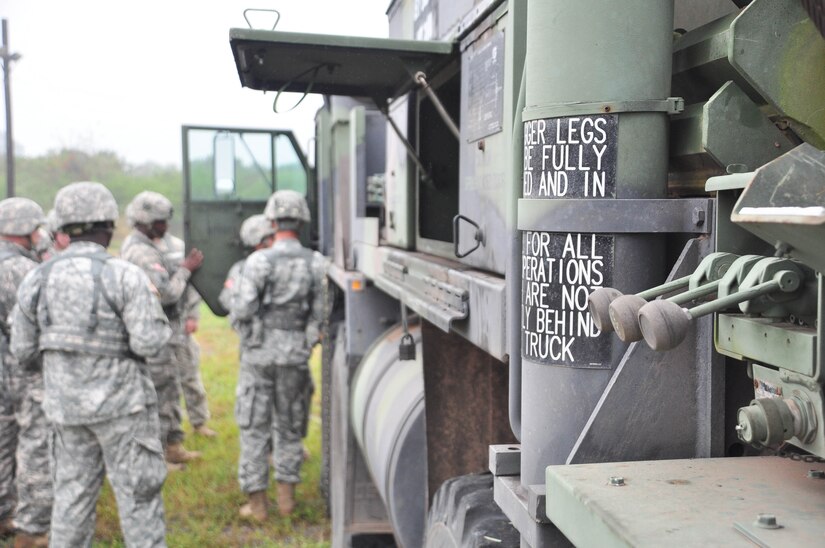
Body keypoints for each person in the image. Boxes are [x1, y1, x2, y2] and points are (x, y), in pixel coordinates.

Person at [9, 182, 171, 547]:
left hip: (65, 410)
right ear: (110, 227)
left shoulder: (37, 276)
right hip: (125, 410)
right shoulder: (127, 275)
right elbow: (150, 343)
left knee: (71, 501)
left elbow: (22, 352)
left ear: (61, 230)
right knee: (139, 501)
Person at [231, 191, 326, 519]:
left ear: (272, 221)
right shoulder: (316, 261)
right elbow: (321, 313)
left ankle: (257, 506)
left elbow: (242, 308)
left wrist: (249, 336)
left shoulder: (258, 261)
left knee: (254, 427)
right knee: (289, 426)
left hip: (258, 357)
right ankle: (287, 502)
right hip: (294, 358)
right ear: (302, 221)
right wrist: (306, 342)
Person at [121, 191, 203, 468]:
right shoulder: (141, 252)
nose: (165, 227)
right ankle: (160, 454)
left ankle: (173, 445)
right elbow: (167, 293)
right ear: (144, 222)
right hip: (154, 331)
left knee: (170, 387)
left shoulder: (154, 245)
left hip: (166, 330)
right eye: (159, 222)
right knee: (159, 391)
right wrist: (185, 270)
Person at [0, 198, 50, 547]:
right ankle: (30, 528)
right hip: (22, 369)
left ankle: (3, 512)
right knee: (34, 442)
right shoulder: (24, 270)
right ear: (26, 231)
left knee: (2, 441)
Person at [155, 232, 215, 438]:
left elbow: (192, 285)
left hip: (180, 324)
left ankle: (199, 422)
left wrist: (193, 315)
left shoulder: (178, 246)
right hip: (157, 328)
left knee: (190, 375)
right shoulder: (141, 251)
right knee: (165, 384)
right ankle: (169, 434)